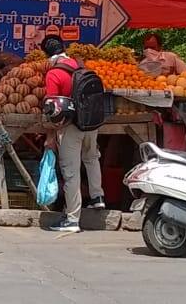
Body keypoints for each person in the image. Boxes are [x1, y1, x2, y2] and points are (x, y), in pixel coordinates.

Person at [42, 35, 104, 233]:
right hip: (91, 124)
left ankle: (72, 219)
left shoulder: (54, 74)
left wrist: (50, 135)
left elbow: (53, 108)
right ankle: (97, 198)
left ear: (46, 54)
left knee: (71, 172)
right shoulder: (80, 65)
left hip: (70, 127)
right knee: (92, 158)